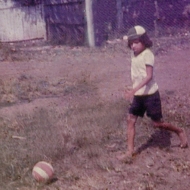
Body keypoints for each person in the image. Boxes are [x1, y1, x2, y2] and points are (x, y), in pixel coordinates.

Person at [118, 25, 188, 162]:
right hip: (139, 95)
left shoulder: (148, 54)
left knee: (157, 123)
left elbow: (148, 76)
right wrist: (133, 89)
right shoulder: (134, 53)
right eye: (131, 43)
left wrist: (133, 90)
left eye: (136, 43)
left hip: (150, 95)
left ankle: (179, 131)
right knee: (130, 119)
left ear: (144, 41)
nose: (133, 46)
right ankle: (130, 151)